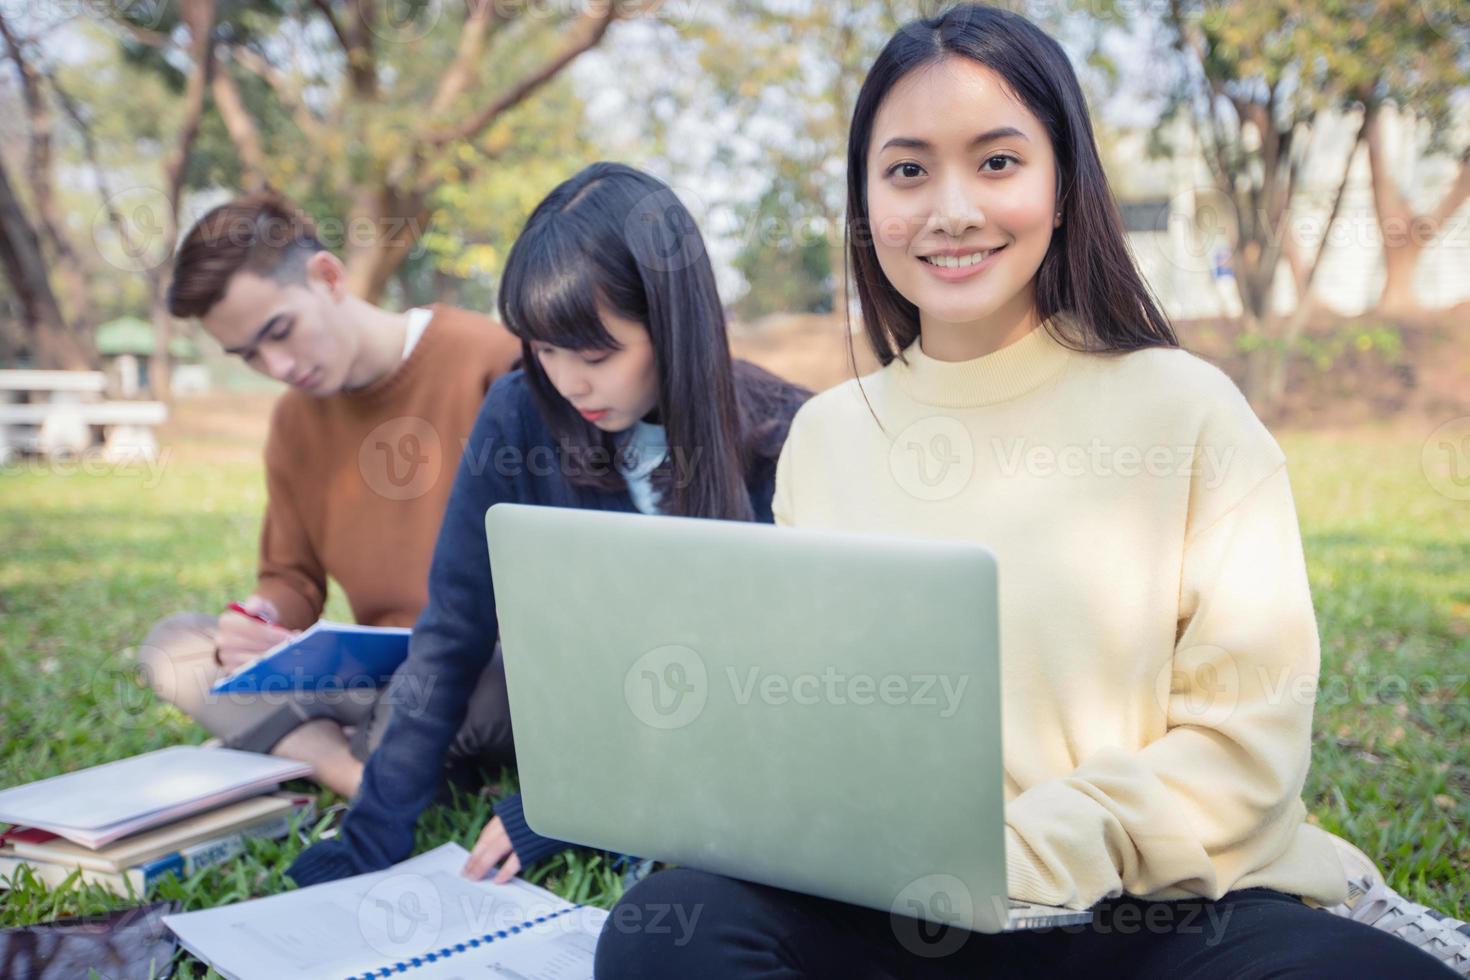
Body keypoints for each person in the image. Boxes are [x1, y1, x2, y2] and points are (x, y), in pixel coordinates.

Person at [595, 7, 1463, 976]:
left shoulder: (1186, 407)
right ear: (866, 201)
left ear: (1061, 188)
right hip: (911, 908)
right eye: (909, 169)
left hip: (1161, 913)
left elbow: (1246, 748)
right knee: (667, 925)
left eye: (998, 161)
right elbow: (817, 729)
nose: (951, 208)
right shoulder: (828, 438)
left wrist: (1021, 856)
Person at [285, 162, 811, 886]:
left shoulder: (788, 434)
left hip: (724, 748)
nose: (569, 382)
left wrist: (564, 808)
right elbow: (453, 629)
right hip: (562, 717)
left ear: (672, 325)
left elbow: (773, 689)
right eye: (544, 349)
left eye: (596, 354)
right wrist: (368, 843)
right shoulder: (519, 413)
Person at [137, 193, 523, 798]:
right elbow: (291, 580)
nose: (279, 367)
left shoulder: (493, 363)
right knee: (175, 646)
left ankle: (303, 747)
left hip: (485, 671)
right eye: (250, 356)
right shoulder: (295, 423)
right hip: (376, 676)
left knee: (462, 691)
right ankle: (354, 772)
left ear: (328, 276)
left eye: (280, 332)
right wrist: (259, 620)